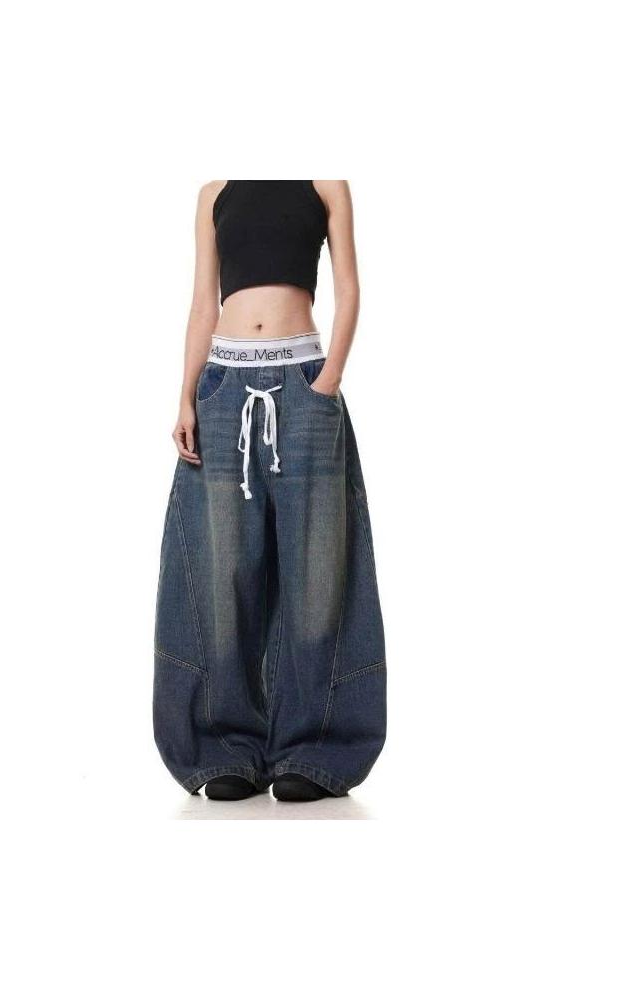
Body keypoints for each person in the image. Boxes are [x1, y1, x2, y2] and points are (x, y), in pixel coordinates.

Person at [153, 180, 386, 802]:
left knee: (316, 572)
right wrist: (187, 395)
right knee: (223, 570)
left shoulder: (324, 181)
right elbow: (203, 302)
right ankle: (226, 746)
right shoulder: (215, 191)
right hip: (224, 384)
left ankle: (314, 750)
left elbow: (349, 288)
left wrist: (328, 379)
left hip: (304, 382)